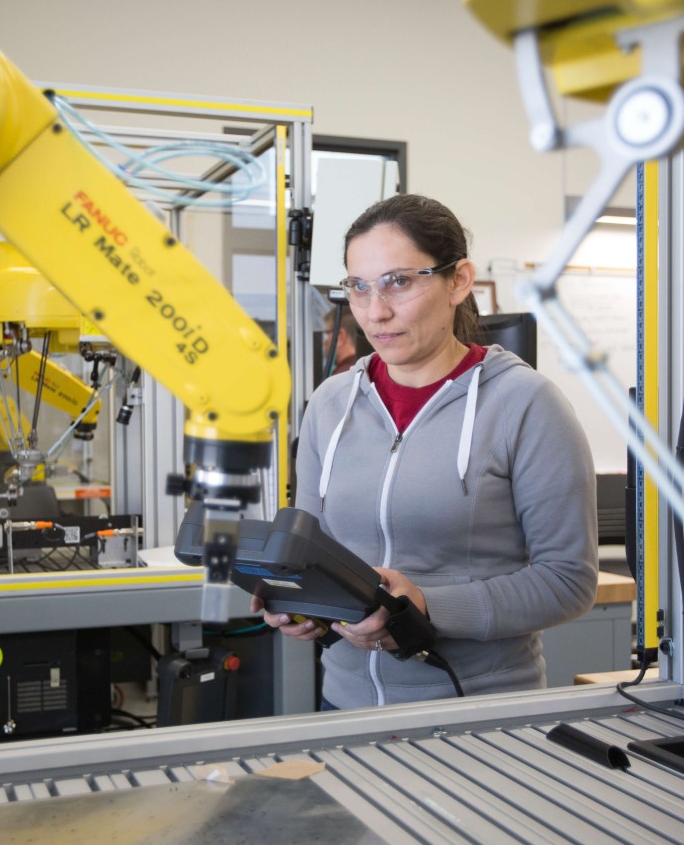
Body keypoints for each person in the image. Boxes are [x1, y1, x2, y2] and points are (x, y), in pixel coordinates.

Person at [254, 194, 597, 708]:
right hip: (344, 706)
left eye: (399, 281)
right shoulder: (330, 404)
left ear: (458, 280)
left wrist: (427, 607)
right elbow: (311, 548)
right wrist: (296, 600)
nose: (376, 311)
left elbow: (568, 582)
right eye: (359, 287)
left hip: (480, 710)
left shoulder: (526, 404)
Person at [322, 307, 370, 376]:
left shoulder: (342, 375)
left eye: (327, 333)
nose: (325, 342)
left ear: (340, 336)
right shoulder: (367, 368)